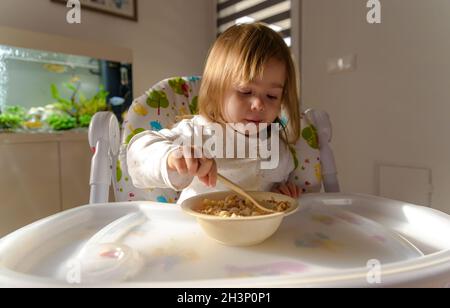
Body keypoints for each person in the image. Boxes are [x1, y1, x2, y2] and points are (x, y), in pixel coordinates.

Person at [127, 22, 302, 204]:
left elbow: (271, 188)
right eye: (245, 92)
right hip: (195, 229)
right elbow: (137, 155)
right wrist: (172, 157)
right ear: (216, 90)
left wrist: (280, 192)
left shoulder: (276, 146)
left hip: (257, 232)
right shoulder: (198, 132)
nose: (258, 104)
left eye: (272, 96)